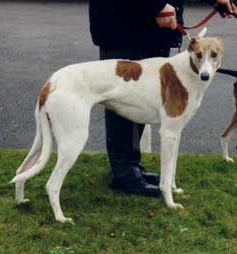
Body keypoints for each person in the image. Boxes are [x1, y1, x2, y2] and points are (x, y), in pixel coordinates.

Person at [89, 0, 237, 196]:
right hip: (123, 27)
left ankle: (132, 167)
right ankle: (123, 174)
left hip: (154, 31)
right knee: (122, 102)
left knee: (144, 104)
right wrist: (155, 5)